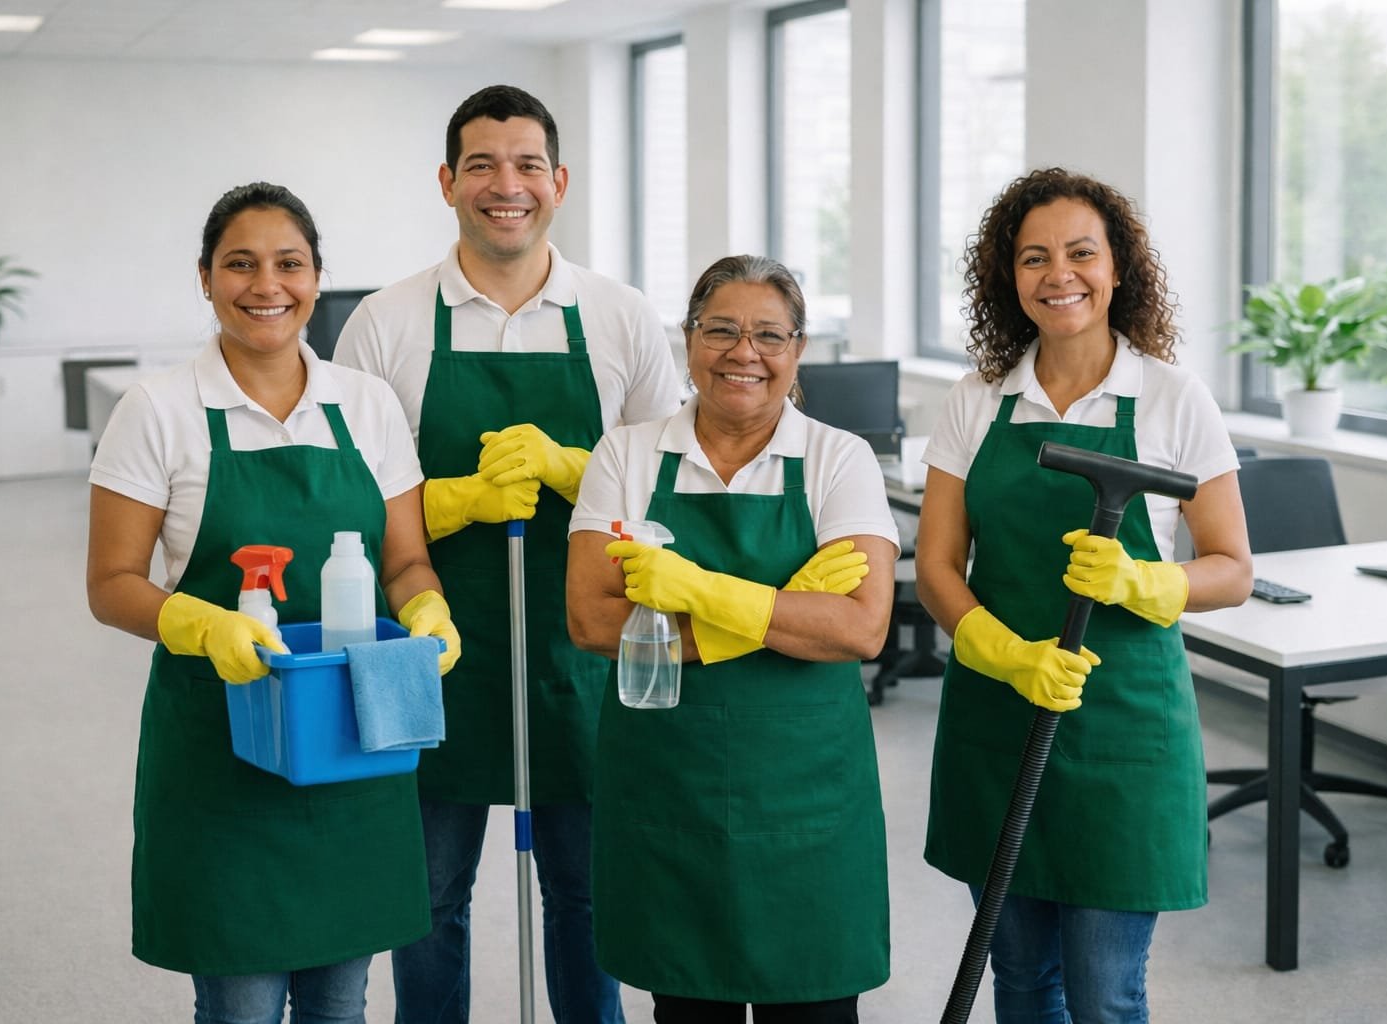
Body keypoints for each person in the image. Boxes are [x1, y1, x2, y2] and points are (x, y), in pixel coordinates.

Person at [332, 84, 680, 1023]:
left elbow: (669, 500)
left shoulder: (619, 317)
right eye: (481, 165)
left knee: (586, 894)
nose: (506, 185)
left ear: (559, 181)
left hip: (577, 656)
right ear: (447, 182)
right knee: (429, 900)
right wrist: (458, 500)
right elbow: (348, 501)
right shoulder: (384, 322)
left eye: (527, 164)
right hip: (430, 647)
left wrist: (579, 470)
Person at [86, 181, 462, 1024]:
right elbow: (111, 584)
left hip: (350, 742)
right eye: (241, 264)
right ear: (206, 278)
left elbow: (404, 560)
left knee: (340, 1001)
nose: (267, 286)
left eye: (289, 264)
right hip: (223, 749)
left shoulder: (365, 405)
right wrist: (196, 619)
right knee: (242, 1002)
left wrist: (428, 609)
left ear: (318, 277)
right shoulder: (159, 410)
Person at [915, 167, 1253, 1022]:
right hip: (998, 715)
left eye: (1079, 253)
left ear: (1117, 268)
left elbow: (1232, 566)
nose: (1058, 274)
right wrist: (999, 649)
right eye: (1034, 258)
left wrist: (1146, 579)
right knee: (1023, 980)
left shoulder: (1174, 398)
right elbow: (938, 566)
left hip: (1124, 730)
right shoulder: (978, 399)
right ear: (1009, 278)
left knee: (1105, 993)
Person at [567, 254, 898, 1024]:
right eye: (720, 330)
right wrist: (777, 614)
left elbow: (860, 626)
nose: (743, 353)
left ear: (798, 350)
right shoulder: (627, 454)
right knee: (687, 1010)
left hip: (807, 797)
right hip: (666, 787)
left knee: (814, 1010)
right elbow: (590, 620)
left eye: (768, 335)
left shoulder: (835, 459)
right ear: (687, 339)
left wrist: (697, 595)